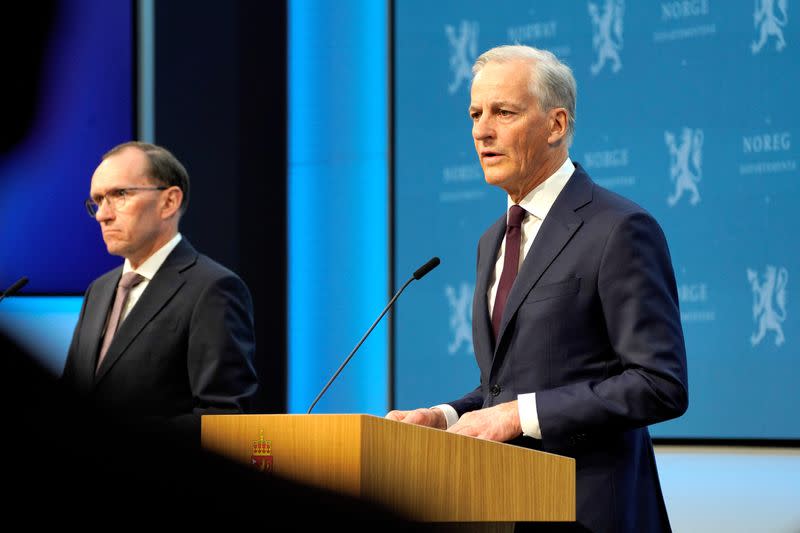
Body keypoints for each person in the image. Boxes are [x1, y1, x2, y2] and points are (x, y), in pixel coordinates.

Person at [387, 45, 688, 532]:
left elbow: (660, 385)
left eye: (503, 112)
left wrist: (514, 416)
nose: (482, 131)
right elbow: (509, 385)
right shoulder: (492, 241)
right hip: (506, 508)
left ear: (556, 125)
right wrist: (443, 418)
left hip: (591, 512)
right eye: (475, 114)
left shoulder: (619, 228)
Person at [62, 141, 259, 439]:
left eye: (119, 195)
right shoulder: (98, 291)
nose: (103, 214)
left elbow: (223, 418)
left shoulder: (213, 289)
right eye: (98, 200)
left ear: (169, 202)